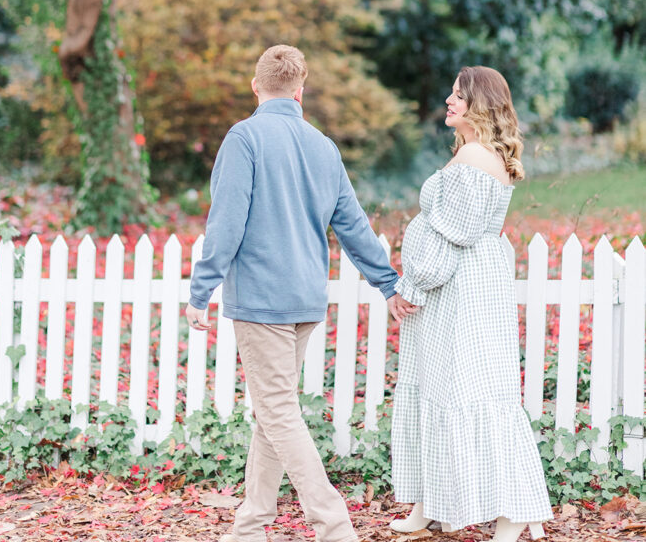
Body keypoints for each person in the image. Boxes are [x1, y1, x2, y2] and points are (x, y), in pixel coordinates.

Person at [187, 44, 413, 542]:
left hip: (262, 300)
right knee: (274, 411)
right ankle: (250, 526)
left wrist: (200, 290)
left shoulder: (244, 138)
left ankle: (334, 526)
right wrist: (387, 281)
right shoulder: (323, 146)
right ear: (300, 88)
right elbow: (353, 224)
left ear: (255, 87)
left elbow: (224, 224)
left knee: (276, 411)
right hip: (306, 300)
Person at [390, 66, 553, 542]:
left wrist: (413, 287)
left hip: (457, 290)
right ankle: (430, 503)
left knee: (463, 392)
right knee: (447, 388)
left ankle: (512, 511)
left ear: (479, 104)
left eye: (458, 95)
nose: (448, 100)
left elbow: (450, 235)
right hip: (468, 285)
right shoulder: (476, 154)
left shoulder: (474, 158)